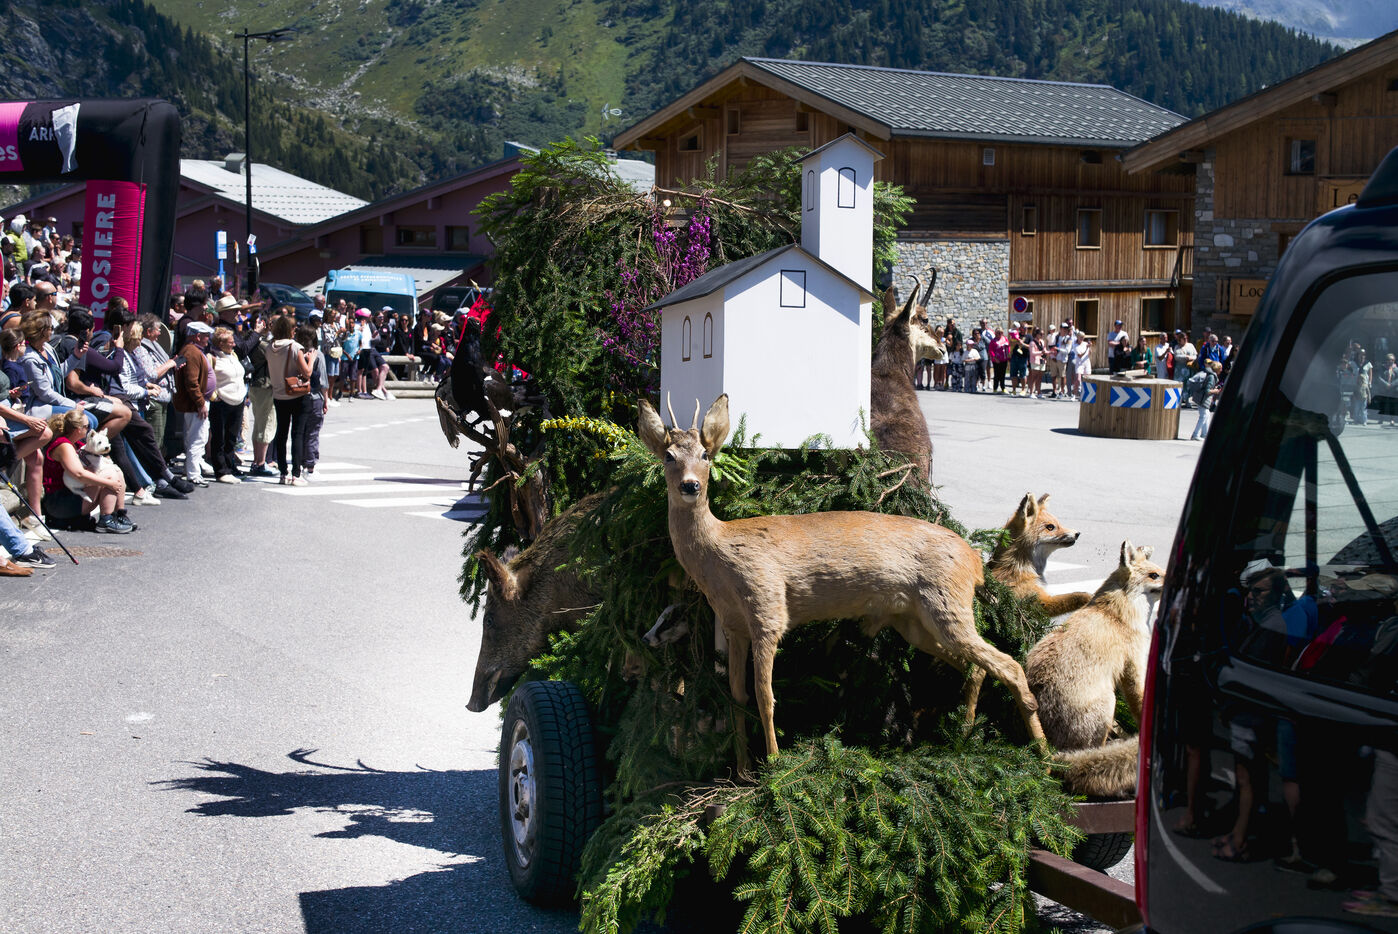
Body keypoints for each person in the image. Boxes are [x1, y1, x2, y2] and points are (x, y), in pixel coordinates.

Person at [42, 409, 132, 533]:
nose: (89, 430)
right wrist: (109, 483)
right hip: (59, 503)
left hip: (73, 495)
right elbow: (79, 474)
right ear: (78, 429)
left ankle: (119, 514)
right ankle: (106, 520)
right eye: (87, 426)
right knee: (109, 475)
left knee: (115, 471)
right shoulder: (64, 446)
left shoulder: (77, 444)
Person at [266, 315, 314, 485]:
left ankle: (283, 473)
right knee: (297, 434)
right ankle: (296, 474)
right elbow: (307, 373)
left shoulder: (270, 347)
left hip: (279, 394)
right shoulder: (295, 347)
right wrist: (311, 359)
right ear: (291, 330)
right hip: (297, 394)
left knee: (281, 433)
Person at [173, 321, 214, 487]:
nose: (208, 339)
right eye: (206, 336)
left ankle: (192, 470)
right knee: (197, 438)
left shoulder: (191, 350)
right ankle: (194, 474)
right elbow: (191, 381)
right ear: (197, 336)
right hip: (195, 405)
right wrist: (200, 403)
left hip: (195, 404)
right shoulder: (192, 352)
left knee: (195, 437)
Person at [207, 326, 246, 483]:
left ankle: (230, 467)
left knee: (232, 437)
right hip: (221, 402)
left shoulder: (233, 355)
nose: (234, 344)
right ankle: (221, 471)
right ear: (221, 343)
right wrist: (214, 395)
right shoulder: (212, 358)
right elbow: (208, 379)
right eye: (230, 342)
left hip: (238, 401)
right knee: (219, 438)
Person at [295, 324, 327, 477]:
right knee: (312, 432)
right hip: (314, 396)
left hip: (297, 395)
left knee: (299, 432)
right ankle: (310, 466)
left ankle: (298, 463)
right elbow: (323, 382)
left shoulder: (295, 352)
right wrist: (326, 400)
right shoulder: (317, 355)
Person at [1187, 359, 1223, 440]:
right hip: (1203, 399)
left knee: (1206, 415)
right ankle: (1195, 435)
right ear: (1217, 368)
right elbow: (1207, 391)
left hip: (1203, 399)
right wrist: (1216, 391)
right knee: (1204, 416)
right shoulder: (1212, 377)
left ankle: (1204, 434)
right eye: (1220, 368)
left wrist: (1214, 388)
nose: (1221, 370)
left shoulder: (1211, 375)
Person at [1051, 321, 1075, 399]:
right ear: (1060, 328)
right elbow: (1051, 346)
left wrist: (1058, 349)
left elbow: (1067, 351)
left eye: (1066, 328)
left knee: (1062, 376)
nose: (1065, 330)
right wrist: (1052, 356)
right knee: (1053, 375)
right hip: (1054, 358)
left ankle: (1062, 391)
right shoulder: (1056, 337)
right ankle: (1054, 391)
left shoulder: (1068, 338)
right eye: (1063, 328)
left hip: (1062, 360)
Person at [1007, 329, 1028, 397]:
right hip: (1014, 356)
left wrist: (1023, 344)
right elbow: (1010, 343)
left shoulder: (1029, 336)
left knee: (1023, 375)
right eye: (1022, 328)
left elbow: (1030, 346)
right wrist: (1016, 342)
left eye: (1025, 328)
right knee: (1013, 374)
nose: (1023, 329)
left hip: (1023, 357)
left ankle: (1023, 390)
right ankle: (1014, 390)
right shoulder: (1016, 335)